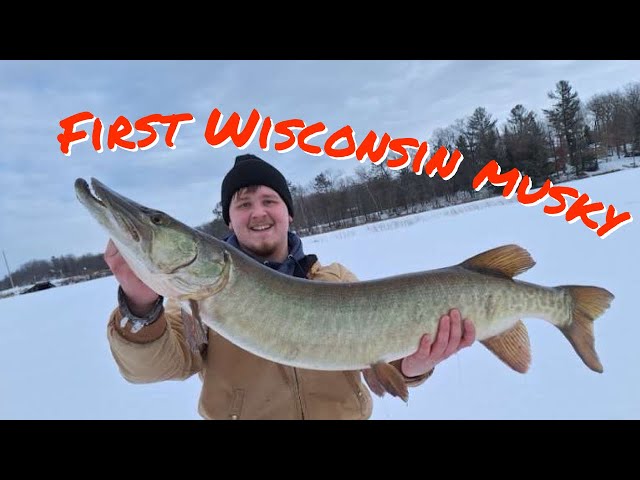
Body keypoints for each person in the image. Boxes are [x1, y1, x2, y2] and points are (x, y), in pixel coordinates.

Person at [104, 153, 476, 420]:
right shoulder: (193, 301)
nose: (258, 212)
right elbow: (150, 368)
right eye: (243, 204)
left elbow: (380, 355)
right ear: (230, 221)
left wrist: (412, 367)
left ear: (288, 212)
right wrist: (139, 308)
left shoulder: (336, 280)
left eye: (270, 200)